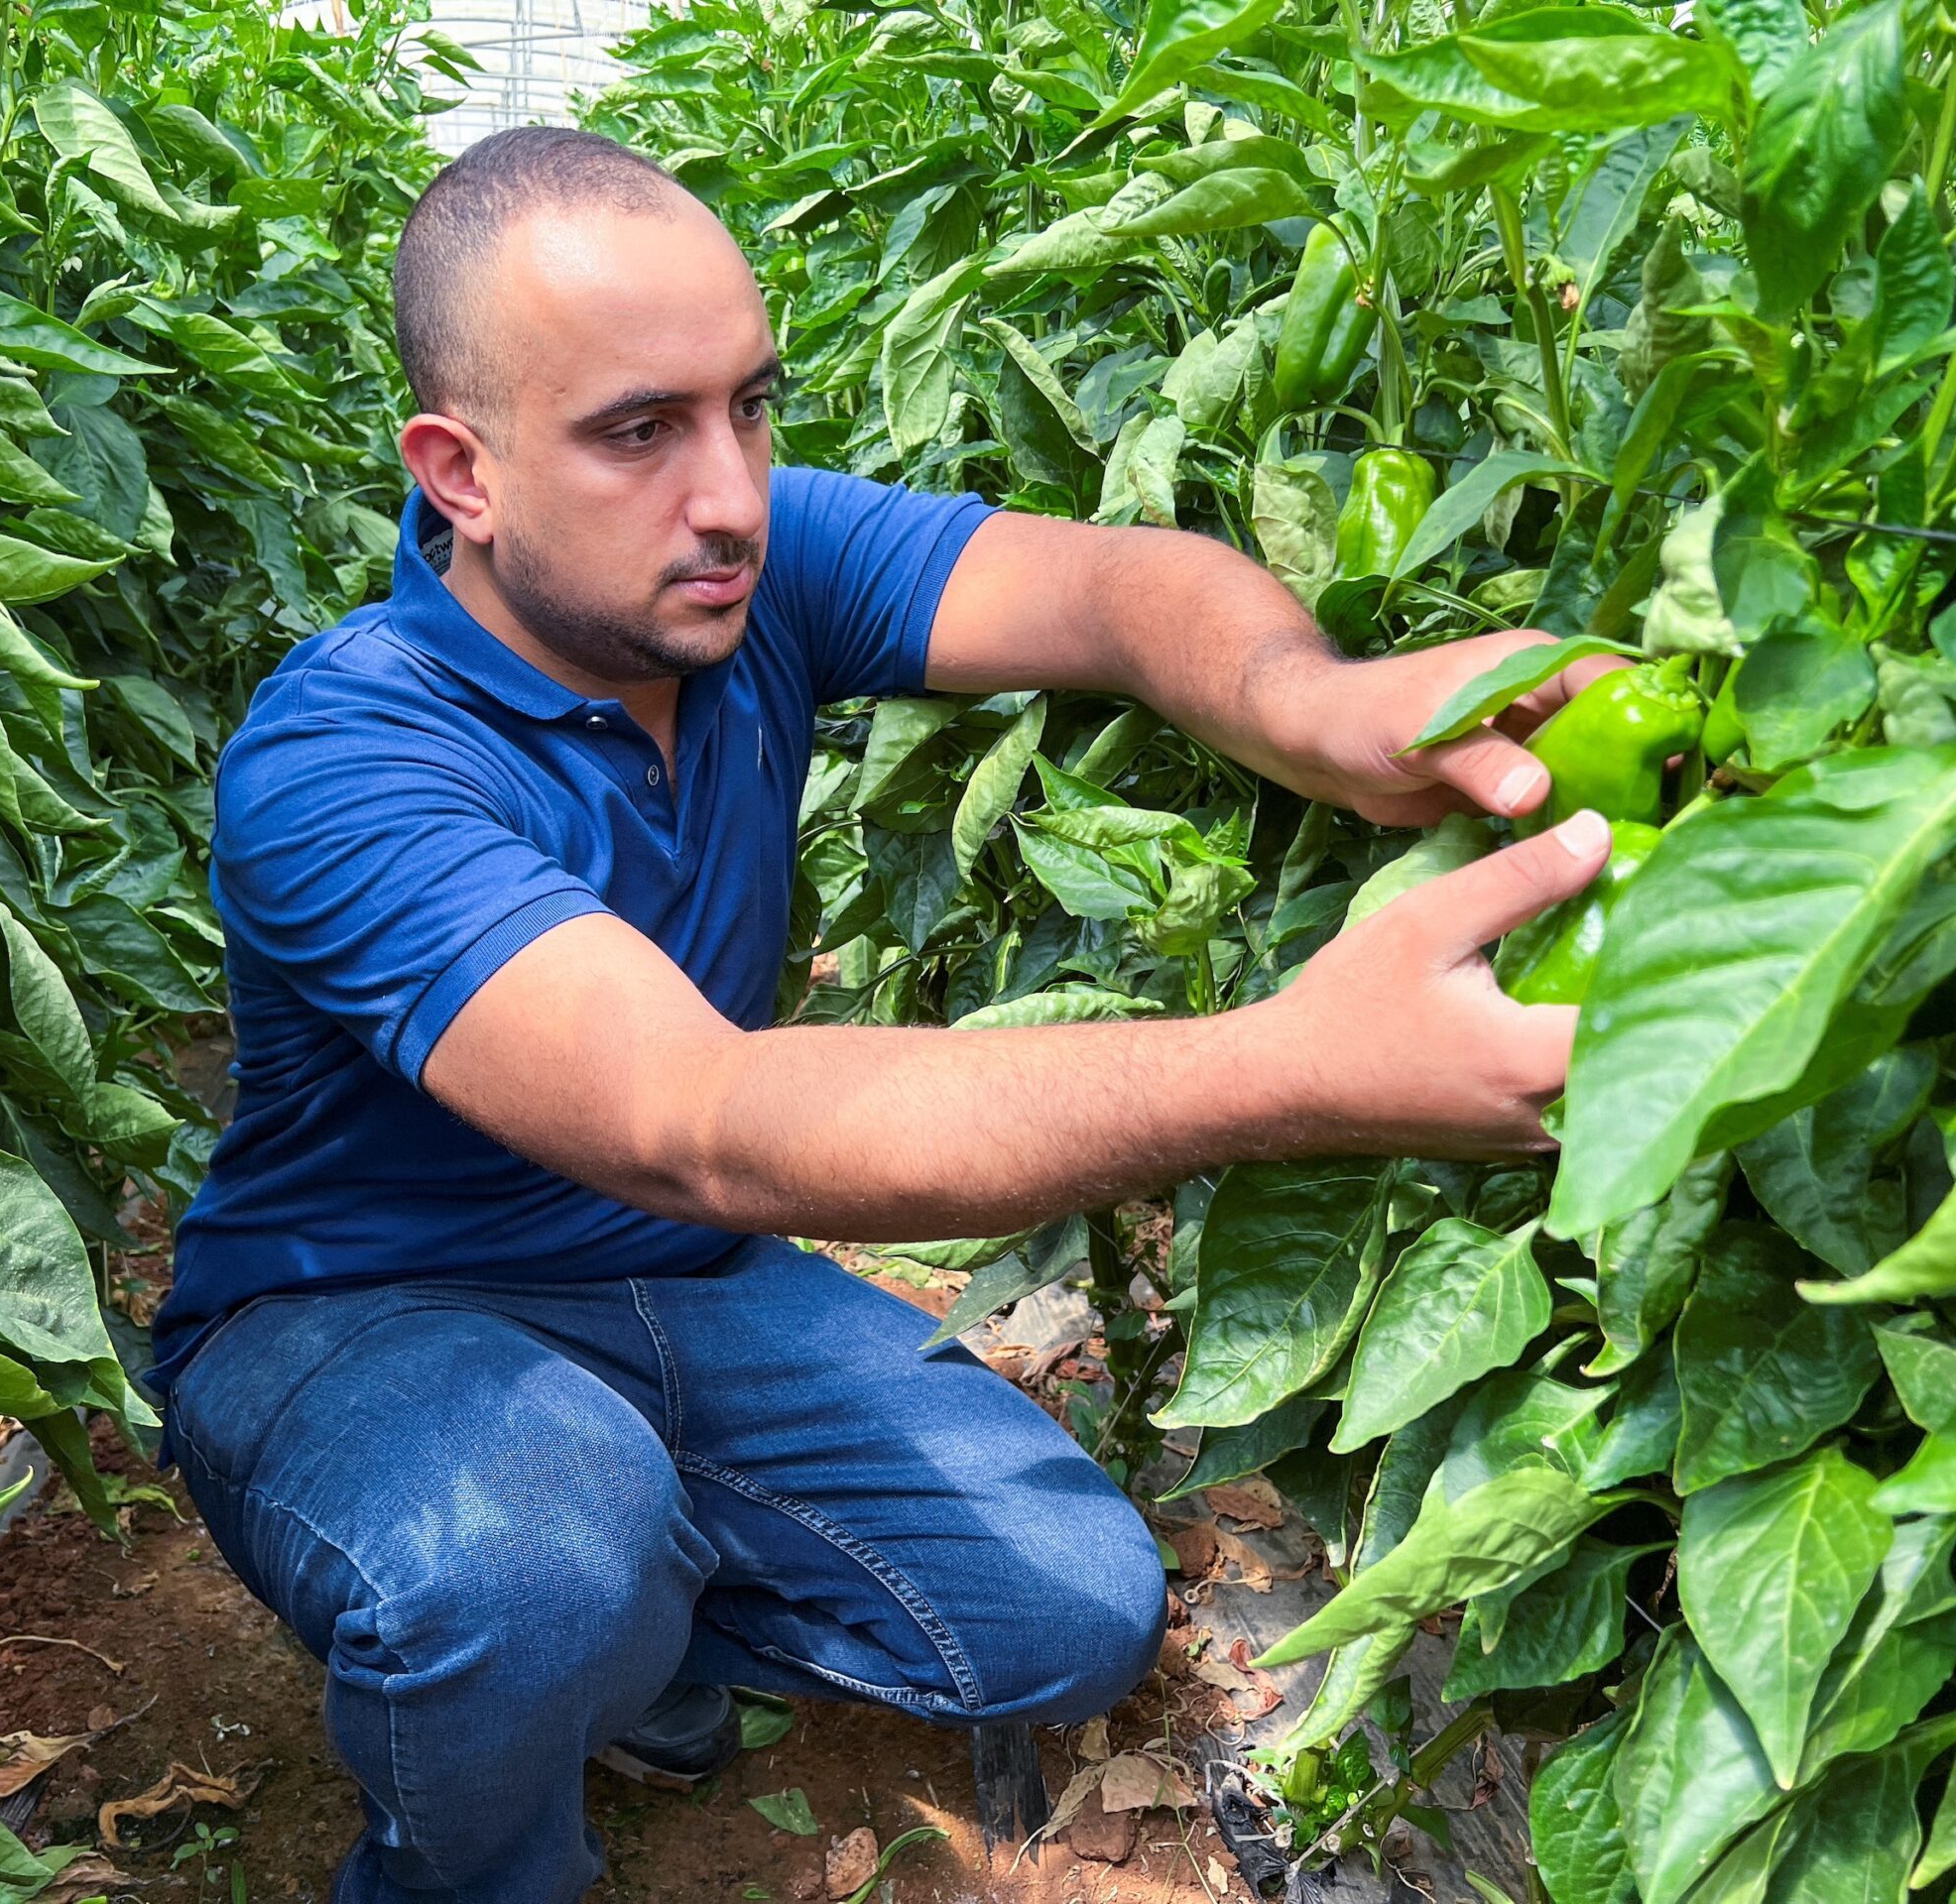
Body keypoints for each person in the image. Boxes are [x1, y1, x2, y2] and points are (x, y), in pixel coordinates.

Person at [145, 125, 1616, 1904]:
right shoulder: (351, 758)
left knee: (1066, 1613)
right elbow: (705, 1117)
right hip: (357, 1321)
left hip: (671, 1279)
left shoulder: (739, 576)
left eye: (749, 408)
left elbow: (1109, 585)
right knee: (526, 1563)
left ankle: (632, 1622)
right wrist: (1297, 1064)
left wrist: (1316, 704)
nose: (734, 490)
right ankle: (480, 1835)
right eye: (638, 430)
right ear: (458, 470)